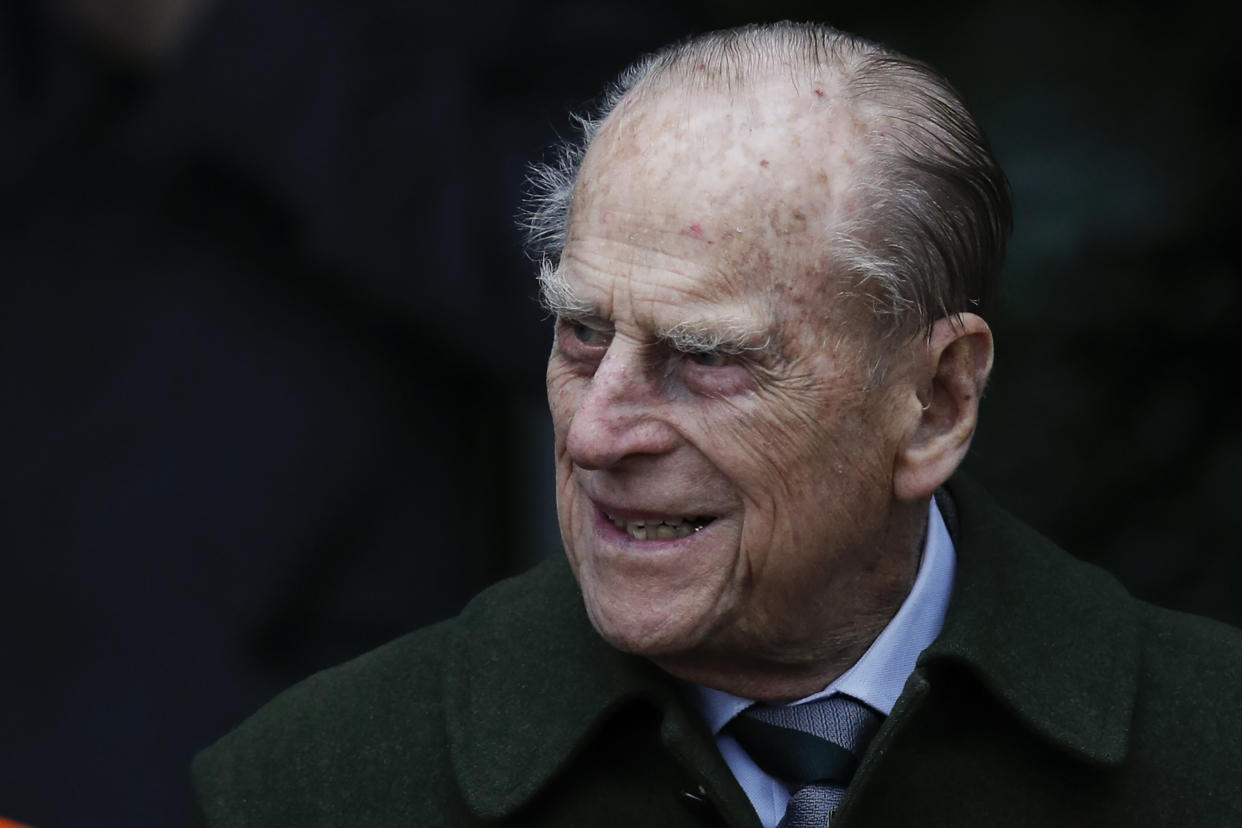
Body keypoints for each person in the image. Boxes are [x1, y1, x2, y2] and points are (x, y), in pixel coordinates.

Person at [190, 21, 1242, 827]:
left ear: (936, 404)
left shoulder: (1212, 754)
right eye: (582, 335)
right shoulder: (306, 790)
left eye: (705, 357)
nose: (598, 436)